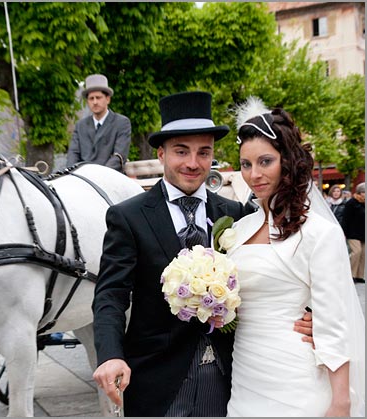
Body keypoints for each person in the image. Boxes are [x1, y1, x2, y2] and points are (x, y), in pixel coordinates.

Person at [91, 91, 313, 417]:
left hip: (231, 375)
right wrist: (110, 354)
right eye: (181, 151)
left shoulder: (238, 214)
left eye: (203, 152)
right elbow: (110, 293)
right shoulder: (128, 217)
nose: (193, 163)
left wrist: (311, 316)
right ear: (161, 153)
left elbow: (272, 273)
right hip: (157, 379)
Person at [226, 98, 364, 416]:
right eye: (246, 164)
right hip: (245, 376)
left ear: (287, 162)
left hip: (295, 377)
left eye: (265, 161)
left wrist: (341, 403)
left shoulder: (319, 233)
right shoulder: (237, 230)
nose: (253, 174)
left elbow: (333, 322)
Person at [66, 74, 131, 172]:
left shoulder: (121, 123)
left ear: (108, 99)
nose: (95, 102)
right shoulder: (80, 126)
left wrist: (99, 175)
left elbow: (119, 156)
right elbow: (73, 155)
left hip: (110, 177)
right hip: (83, 178)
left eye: (98, 97)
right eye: (91, 98)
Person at [341, 182, 365, 283]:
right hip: (353, 232)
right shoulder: (351, 202)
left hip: (363, 232)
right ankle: (350, 275)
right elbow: (345, 218)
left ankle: (359, 276)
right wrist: (343, 232)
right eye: (365, 192)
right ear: (360, 192)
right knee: (356, 252)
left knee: (363, 254)